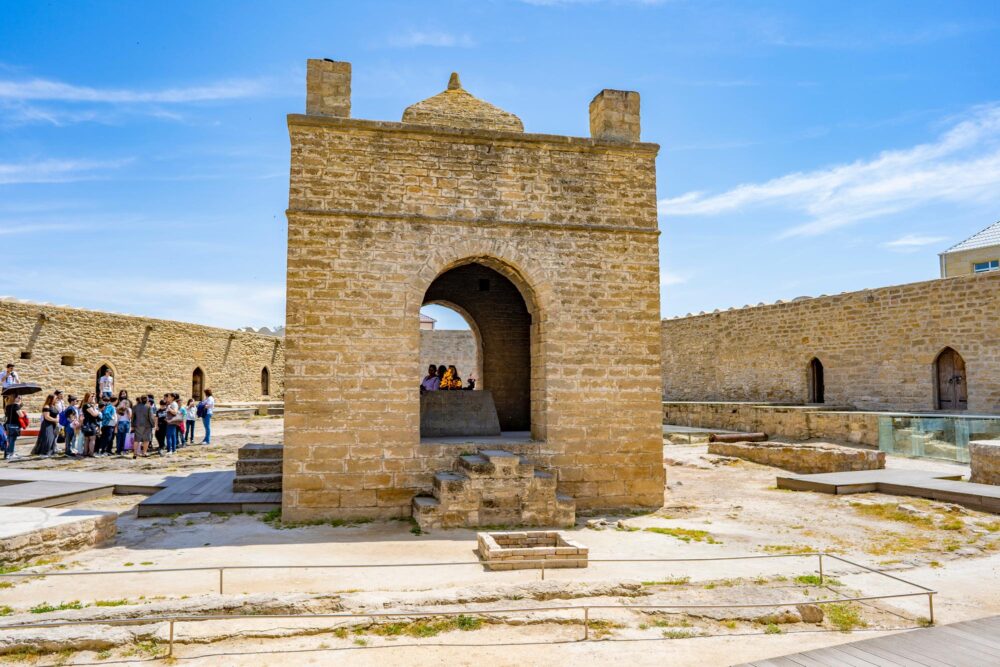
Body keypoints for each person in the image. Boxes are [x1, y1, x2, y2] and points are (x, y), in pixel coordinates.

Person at [4, 395, 25, 460]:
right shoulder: (16, 406)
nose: (20, 399)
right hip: (14, 425)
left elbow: (7, 415)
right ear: (14, 398)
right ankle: (11, 454)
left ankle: (7, 454)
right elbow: (21, 415)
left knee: (9, 439)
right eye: (19, 397)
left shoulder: (7, 406)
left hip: (8, 424)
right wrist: (19, 406)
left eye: (20, 397)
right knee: (12, 440)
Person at [80, 393, 100, 457]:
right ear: (87, 397)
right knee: (92, 438)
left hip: (87, 423)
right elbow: (94, 414)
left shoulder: (88, 405)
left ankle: (86, 452)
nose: (93, 398)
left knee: (87, 439)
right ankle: (90, 453)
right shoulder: (87, 405)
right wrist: (98, 411)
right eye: (92, 396)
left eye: (94, 397)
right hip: (90, 424)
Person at [115, 390, 132, 455]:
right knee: (125, 436)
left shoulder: (120, 409)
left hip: (121, 423)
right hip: (126, 423)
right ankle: (124, 450)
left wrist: (116, 424)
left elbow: (118, 418)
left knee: (120, 436)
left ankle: (119, 449)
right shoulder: (127, 409)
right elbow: (130, 417)